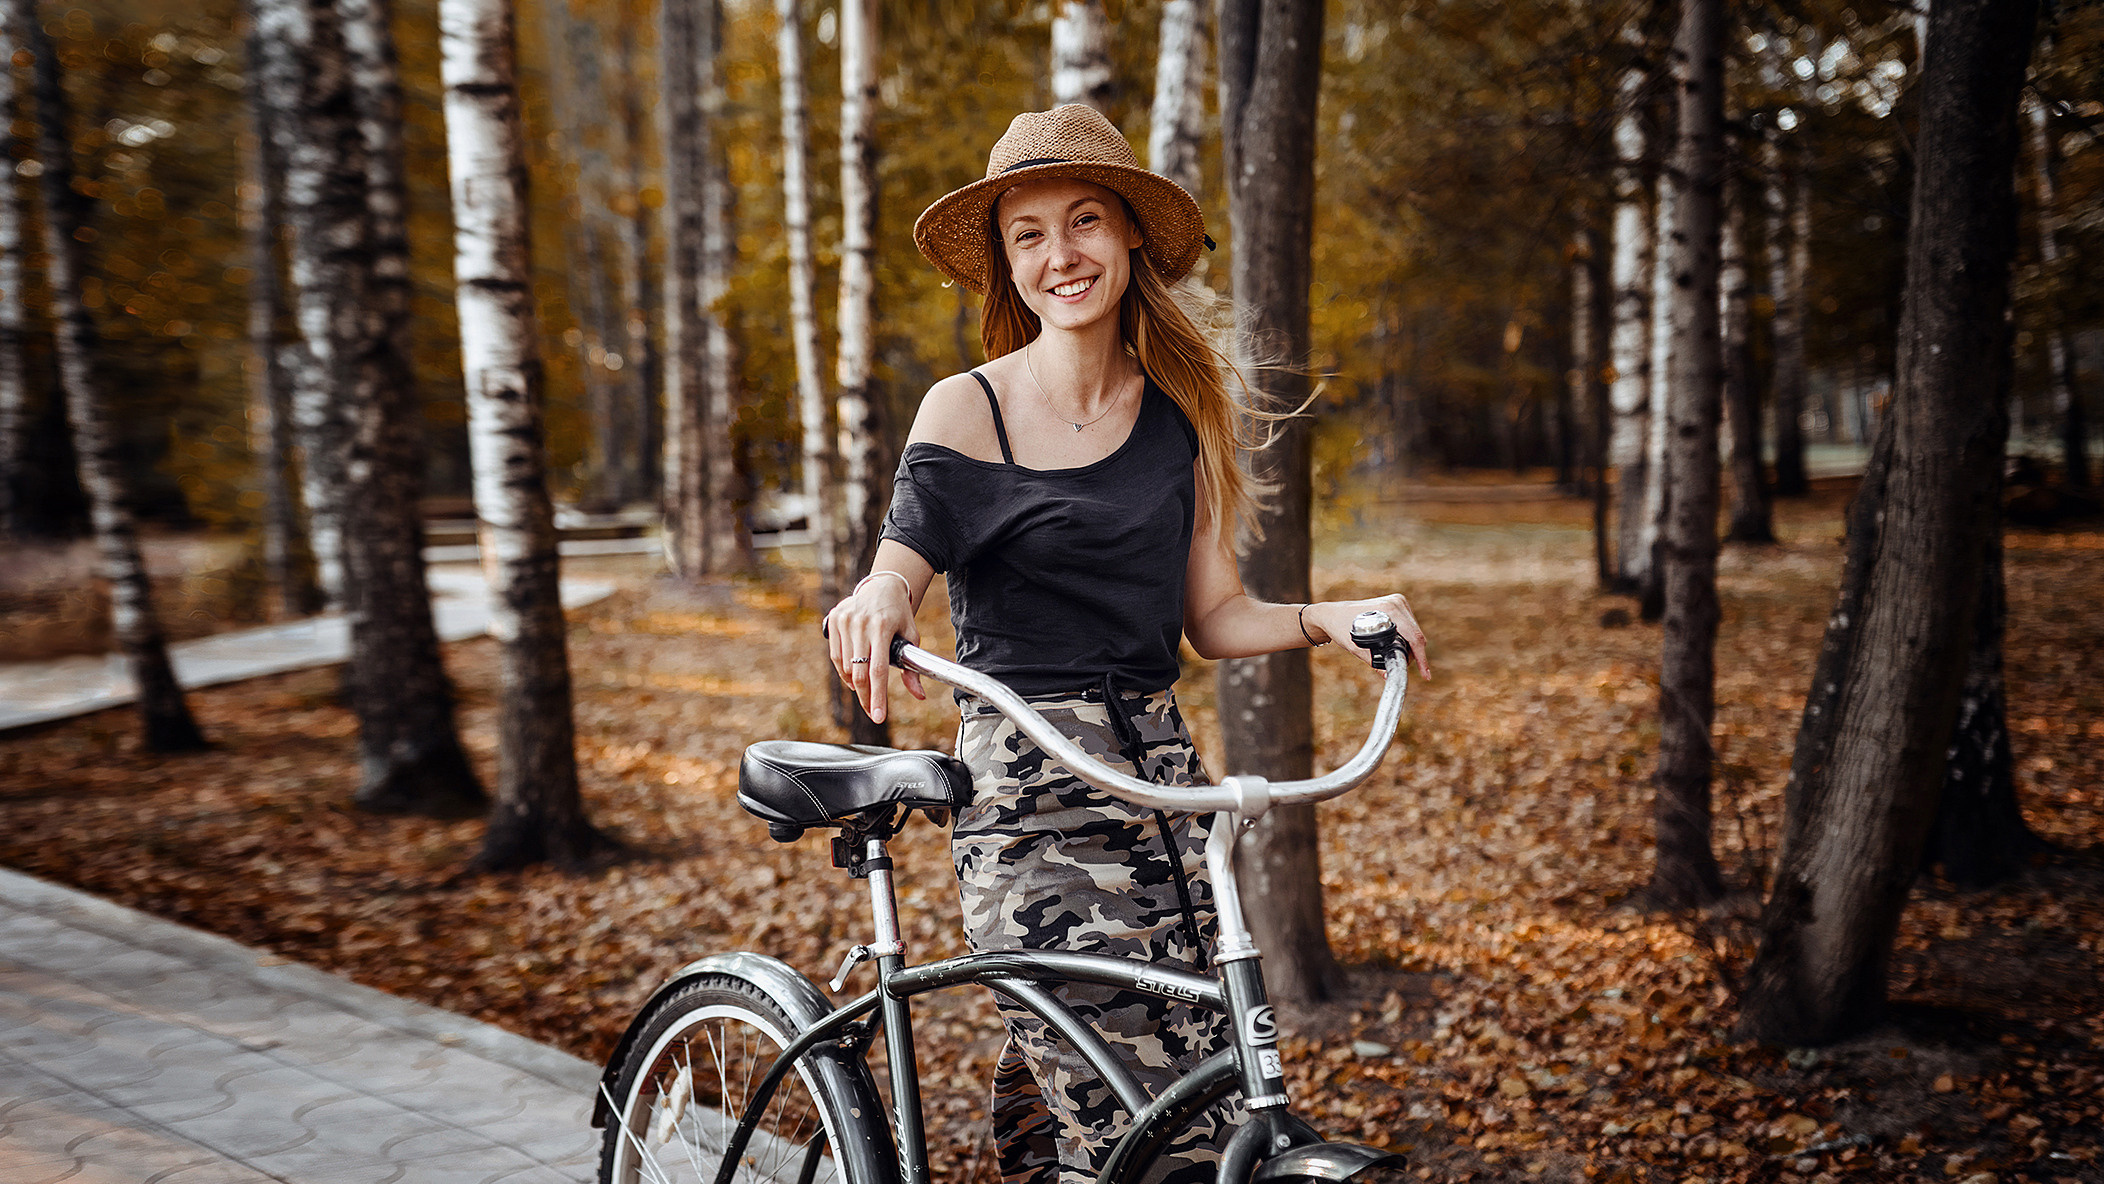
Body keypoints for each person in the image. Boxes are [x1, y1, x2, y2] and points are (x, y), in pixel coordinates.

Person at [823, 104, 1431, 1184]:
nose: (1061, 254)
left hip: (1163, 788)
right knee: (1142, 1140)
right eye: (1029, 233)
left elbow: (1214, 618)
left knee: (1203, 1096)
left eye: (1085, 220)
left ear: (1130, 239)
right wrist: (876, 597)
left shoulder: (1177, 422)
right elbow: (899, 559)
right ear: (1007, 266)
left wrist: (1328, 616)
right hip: (1030, 794)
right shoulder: (965, 410)